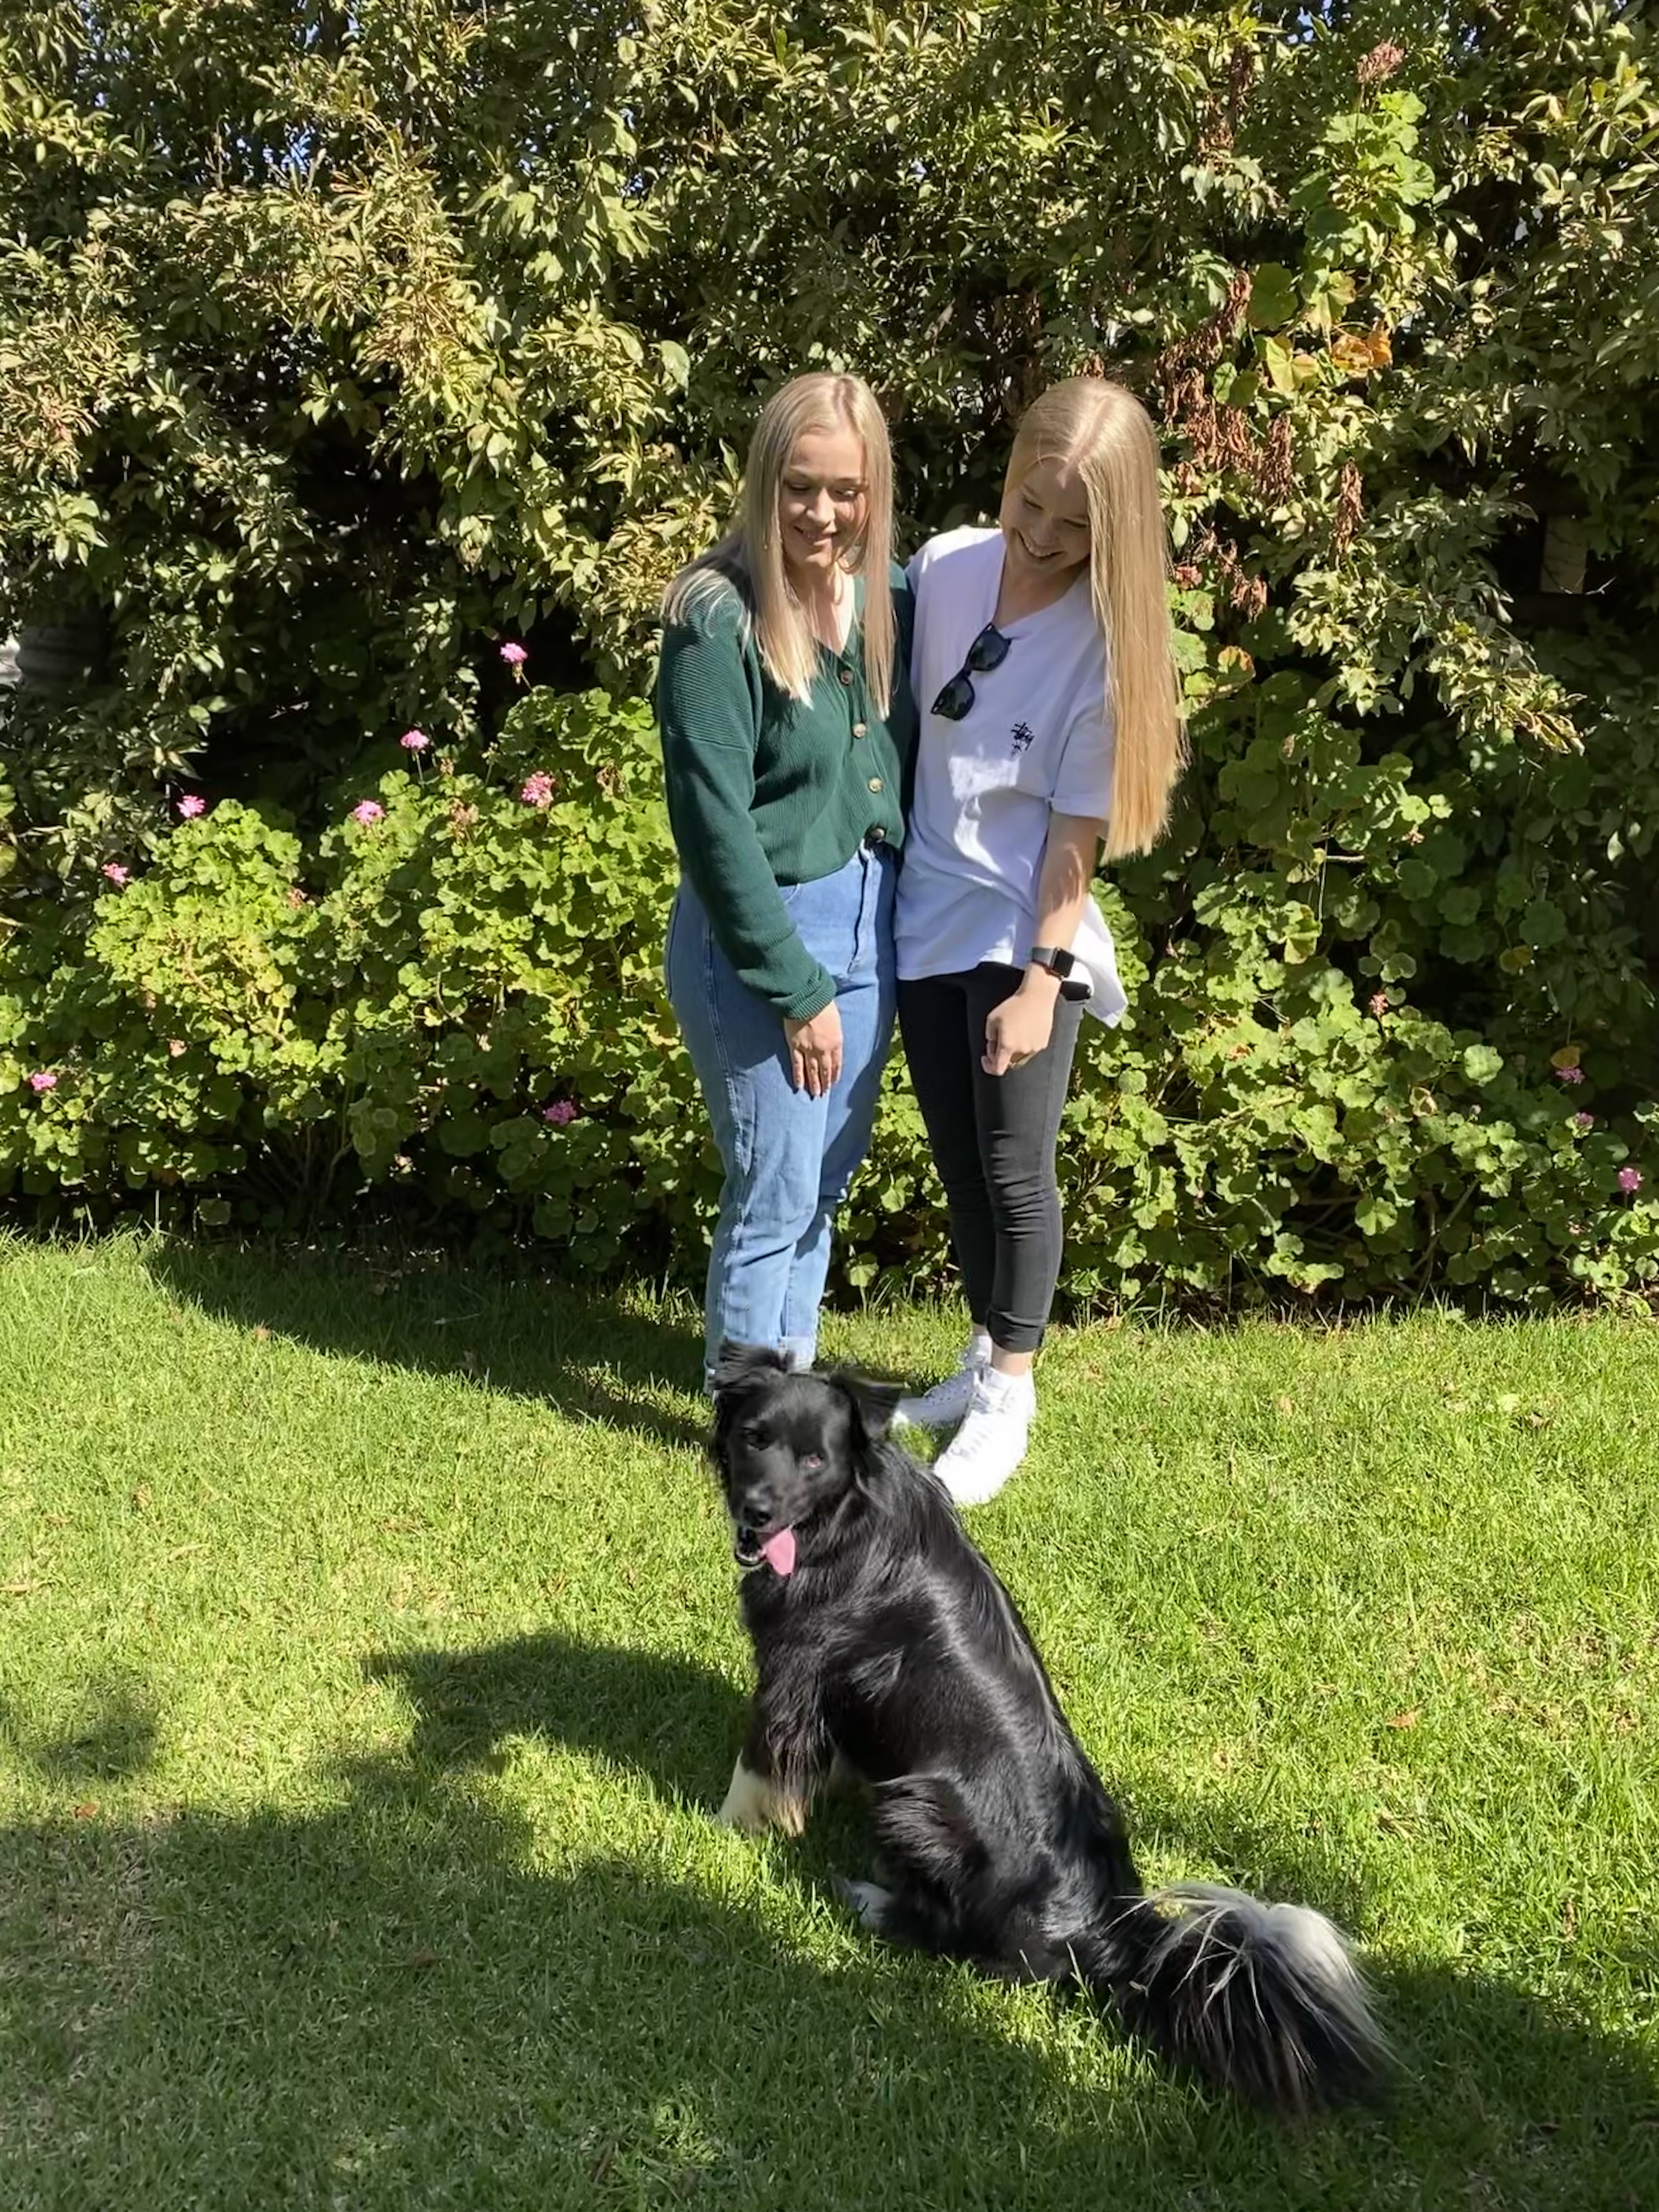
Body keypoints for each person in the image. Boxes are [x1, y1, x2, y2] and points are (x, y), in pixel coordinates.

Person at [895, 376, 1185, 1503]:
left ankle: (1011, 1392)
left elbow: (1075, 832)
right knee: (961, 1164)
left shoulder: (1107, 647)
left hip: (1022, 935)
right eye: (1033, 506)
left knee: (1017, 1168)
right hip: (922, 919)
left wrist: (1041, 975)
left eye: (1078, 525)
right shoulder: (950, 564)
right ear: (1010, 469)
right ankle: (983, 1354)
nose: (1047, 538)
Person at [658, 373, 915, 1388]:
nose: (822, 513)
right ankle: (747, 1416)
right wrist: (796, 988)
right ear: (766, 482)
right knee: (773, 1185)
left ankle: (790, 1382)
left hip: (871, 920)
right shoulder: (715, 619)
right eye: (800, 487)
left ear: (873, 491)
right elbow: (712, 826)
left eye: (845, 490)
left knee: (821, 1184)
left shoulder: (887, 597)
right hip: (765, 933)